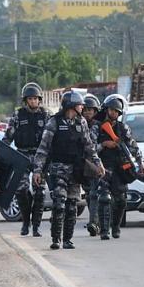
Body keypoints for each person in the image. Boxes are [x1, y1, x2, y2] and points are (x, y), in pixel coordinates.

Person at [33, 91, 103, 250]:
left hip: (76, 170)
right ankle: (56, 238)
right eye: (80, 105)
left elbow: (89, 146)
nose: (82, 108)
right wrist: (38, 170)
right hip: (58, 169)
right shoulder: (54, 122)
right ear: (71, 105)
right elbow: (43, 148)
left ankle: (67, 240)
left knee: (72, 205)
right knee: (59, 204)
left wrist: (98, 164)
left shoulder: (82, 122)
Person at [4, 82, 50, 237]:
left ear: (39, 100)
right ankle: (25, 221)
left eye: (35, 99)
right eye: (30, 99)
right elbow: (8, 137)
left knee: (39, 192)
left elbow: (52, 138)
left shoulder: (46, 116)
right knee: (21, 190)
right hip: (22, 155)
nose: (33, 101)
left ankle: (36, 226)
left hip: (39, 156)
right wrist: (1, 153)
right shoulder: (18, 116)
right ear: (25, 100)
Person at [96, 95, 144, 240]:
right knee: (104, 198)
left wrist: (140, 162)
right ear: (106, 110)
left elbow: (133, 146)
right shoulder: (97, 128)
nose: (114, 113)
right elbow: (89, 147)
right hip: (103, 167)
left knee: (121, 200)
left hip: (120, 168)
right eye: (111, 110)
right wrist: (103, 145)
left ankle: (115, 227)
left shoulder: (123, 128)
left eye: (117, 111)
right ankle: (104, 230)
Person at [81, 93, 102, 236]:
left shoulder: (99, 126)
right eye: (85, 109)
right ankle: (95, 221)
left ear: (95, 111)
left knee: (95, 193)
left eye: (91, 110)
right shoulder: (77, 124)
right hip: (82, 163)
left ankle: (94, 223)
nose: (88, 112)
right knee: (88, 194)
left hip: (96, 163)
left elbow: (100, 145)